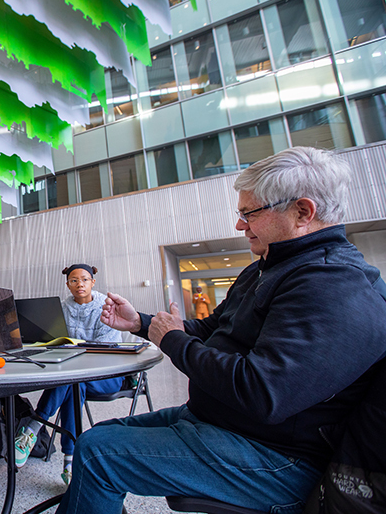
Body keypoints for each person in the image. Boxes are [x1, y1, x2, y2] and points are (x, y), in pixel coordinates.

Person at [56, 147, 386, 514]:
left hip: (277, 457)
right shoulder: (268, 268)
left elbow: (261, 392)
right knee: (94, 439)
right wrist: (142, 323)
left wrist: (172, 340)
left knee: (101, 456)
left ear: (302, 212)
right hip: (221, 423)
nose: (240, 225)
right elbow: (211, 329)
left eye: (249, 214)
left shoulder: (334, 285)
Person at [14, 264, 127, 485]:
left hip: (107, 375)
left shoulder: (106, 306)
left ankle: (33, 428)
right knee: (73, 383)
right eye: (74, 280)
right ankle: (69, 462)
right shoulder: (61, 308)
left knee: (71, 380)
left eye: (84, 279)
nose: (80, 284)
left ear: (93, 282)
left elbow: (107, 350)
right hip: (76, 375)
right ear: (68, 284)